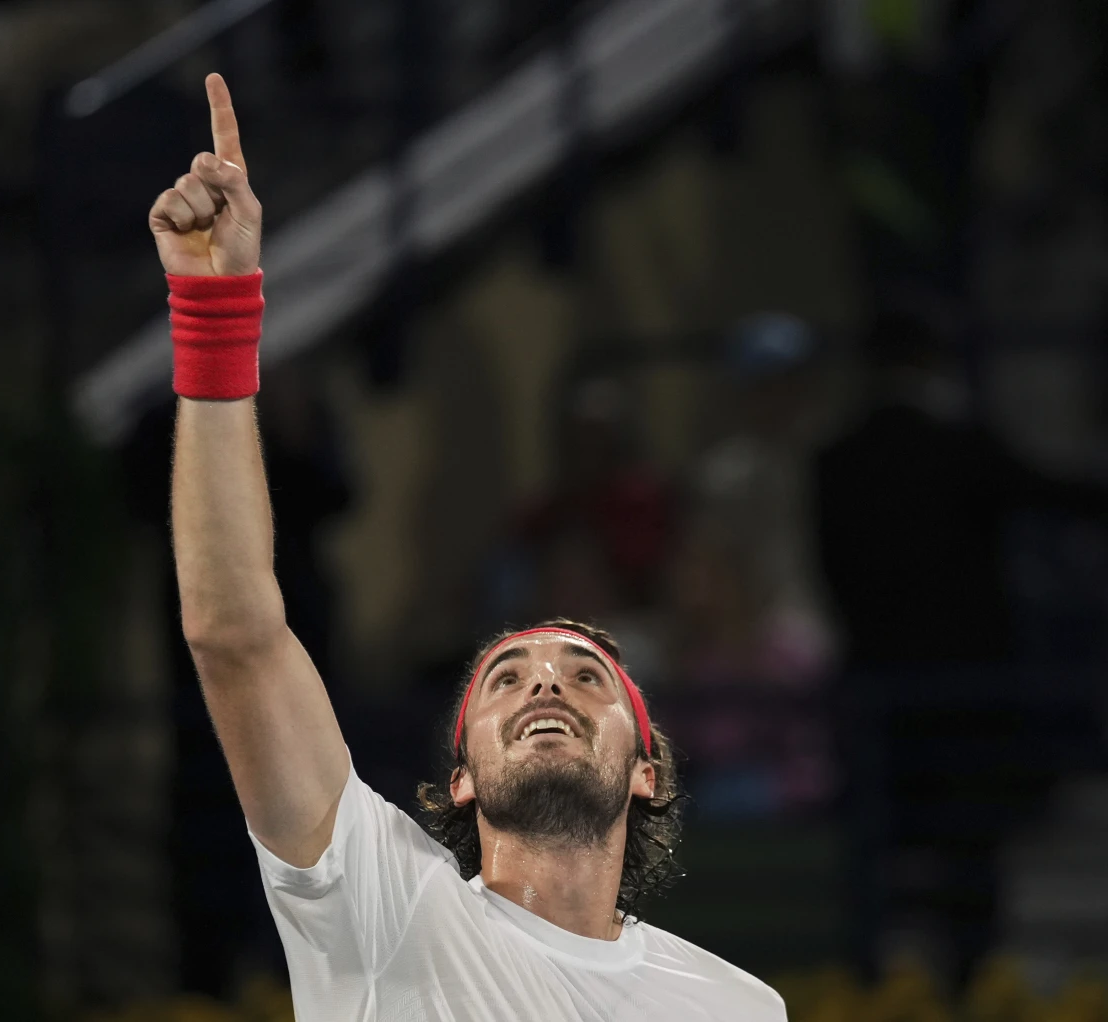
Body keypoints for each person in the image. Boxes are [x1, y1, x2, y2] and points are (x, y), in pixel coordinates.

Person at [149, 73, 787, 1020]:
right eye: (507, 678)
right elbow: (235, 632)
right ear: (461, 777)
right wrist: (215, 310)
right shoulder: (383, 903)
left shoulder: (739, 1009)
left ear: (645, 766)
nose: (545, 685)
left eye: (586, 676)